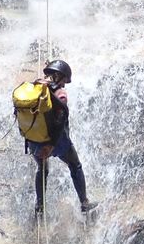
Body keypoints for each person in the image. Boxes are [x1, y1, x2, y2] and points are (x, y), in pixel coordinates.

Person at [28, 58, 96, 216]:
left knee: (42, 169)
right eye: (65, 80)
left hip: (35, 142)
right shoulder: (60, 94)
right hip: (57, 142)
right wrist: (51, 144)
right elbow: (60, 122)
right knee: (75, 165)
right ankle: (84, 203)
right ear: (59, 76)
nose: (65, 84)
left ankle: (40, 205)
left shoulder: (34, 87)